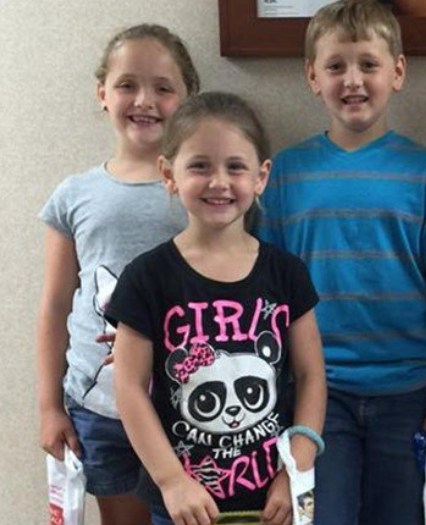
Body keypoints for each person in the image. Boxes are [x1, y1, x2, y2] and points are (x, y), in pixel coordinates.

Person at [256, 1, 426, 524]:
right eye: (335, 66)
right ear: (312, 76)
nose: (352, 80)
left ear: (397, 72)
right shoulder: (285, 174)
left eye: (368, 65)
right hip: (316, 396)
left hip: (410, 394)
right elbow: (267, 294)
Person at [107, 92, 327, 525]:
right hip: (185, 508)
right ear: (169, 175)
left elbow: (311, 374)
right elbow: (129, 387)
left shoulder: (287, 274)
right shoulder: (146, 278)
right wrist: (171, 480)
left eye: (236, 166)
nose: (219, 181)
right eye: (200, 166)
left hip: (273, 501)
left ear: (261, 176)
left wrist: (296, 469)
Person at [36, 23, 199, 525]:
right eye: (128, 84)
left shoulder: (204, 190)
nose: (144, 100)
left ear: (188, 97)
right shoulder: (74, 195)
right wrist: (48, 405)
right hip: (100, 406)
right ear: (102, 93)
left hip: (189, 407)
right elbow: (56, 305)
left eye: (163, 87)